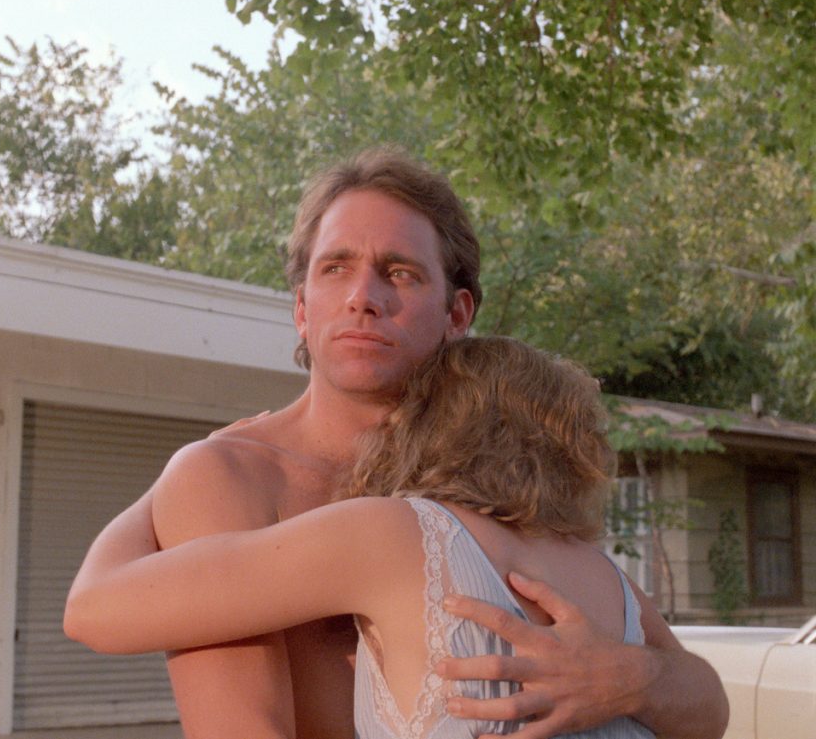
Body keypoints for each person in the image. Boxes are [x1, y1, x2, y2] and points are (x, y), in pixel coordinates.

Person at [64, 148, 729, 739]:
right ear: (301, 307)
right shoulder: (231, 476)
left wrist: (632, 677)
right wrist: (172, 475)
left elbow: (705, 701)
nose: (363, 297)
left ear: (457, 313)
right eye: (335, 268)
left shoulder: (486, 488)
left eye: (400, 272)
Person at [69, 336, 668, 738]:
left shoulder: (395, 531)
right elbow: (707, 711)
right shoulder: (607, 580)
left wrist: (177, 473)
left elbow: (94, 607)